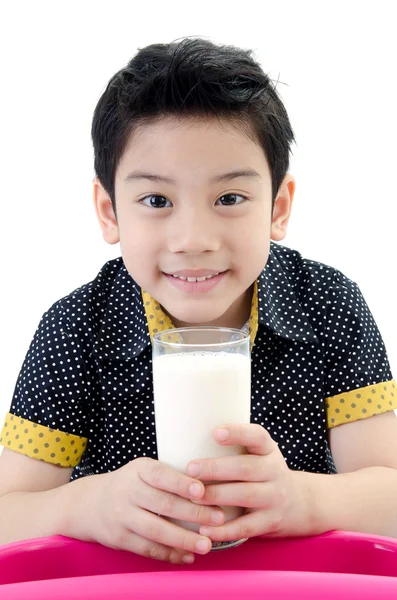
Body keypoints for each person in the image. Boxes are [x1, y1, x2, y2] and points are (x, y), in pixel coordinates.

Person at [0, 37, 396, 566]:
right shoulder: (78, 328)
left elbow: (388, 491)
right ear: (109, 211)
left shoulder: (327, 306)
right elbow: (8, 512)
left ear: (278, 207)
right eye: (156, 200)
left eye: (229, 199)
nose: (193, 238)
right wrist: (83, 505)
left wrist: (302, 498)